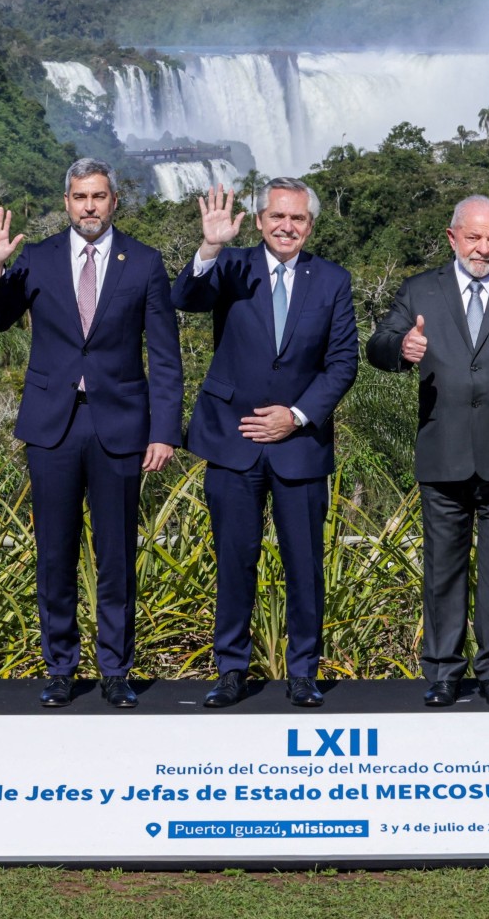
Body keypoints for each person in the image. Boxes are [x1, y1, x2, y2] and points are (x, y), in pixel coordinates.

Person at [0, 158, 183, 709]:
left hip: (122, 425)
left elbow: (166, 357)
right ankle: (60, 668)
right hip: (53, 426)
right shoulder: (37, 258)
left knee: (116, 555)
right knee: (54, 553)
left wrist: (164, 430)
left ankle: (115, 670)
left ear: (114, 200)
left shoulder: (144, 262)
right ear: (66, 201)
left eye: (98, 196)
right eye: (79, 197)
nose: (88, 206)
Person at [364, 195, 489, 707]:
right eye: (474, 237)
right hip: (443, 448)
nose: (483, 248)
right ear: (452, 237)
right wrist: (401, 349)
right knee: (442, 566)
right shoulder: (420, 289)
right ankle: (442, 672)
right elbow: (377, 345)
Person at [171, 180, 358, 709]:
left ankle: (303, 673)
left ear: (311, 226)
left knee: (305, 565)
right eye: (277, 216)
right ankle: (231, 670)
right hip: (234, 440)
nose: (287, 226)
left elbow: (342, 362)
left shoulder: (332, 280)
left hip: (299, 445)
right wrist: (210, 246)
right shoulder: (230, 266)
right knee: (235, 560)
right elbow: (185, 298)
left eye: (298, 219)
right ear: (258, 220)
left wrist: (295, 417)